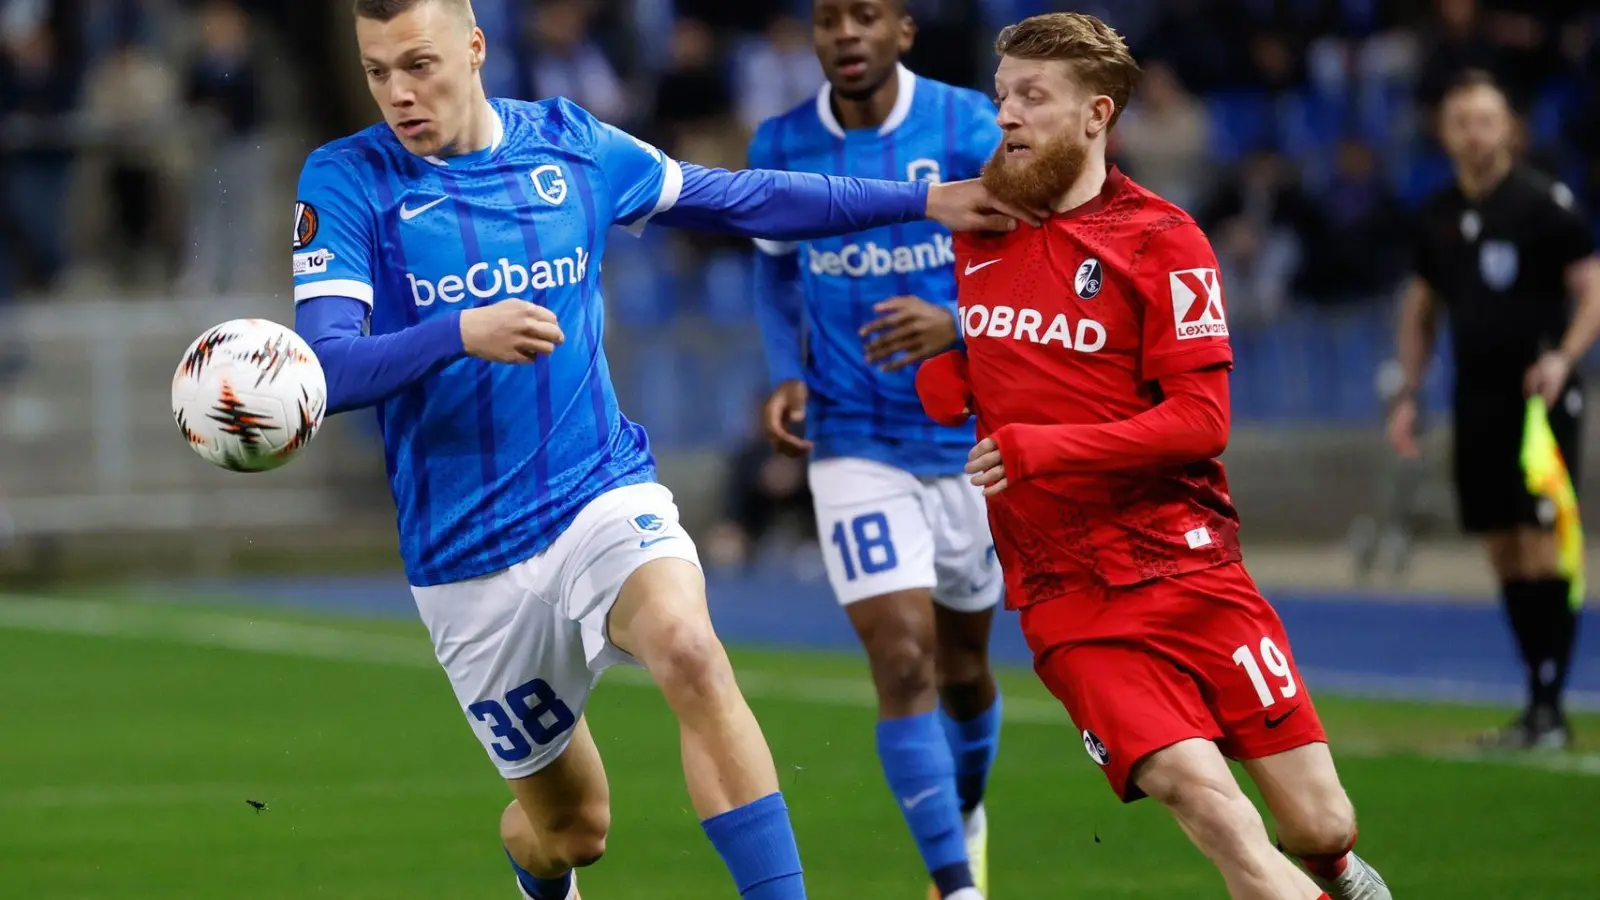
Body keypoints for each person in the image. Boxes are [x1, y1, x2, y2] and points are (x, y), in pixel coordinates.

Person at [289, 2, 1030, 899]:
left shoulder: (571, 147)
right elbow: (325, 367)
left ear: (475, 47)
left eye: (419, 65)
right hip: (464, 557)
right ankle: (540, 875)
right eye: (378, 73)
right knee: (571, 830)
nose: (401, 94)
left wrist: (921, 197)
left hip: (594, 492)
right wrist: (458, 331)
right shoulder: (345, 179)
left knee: (687, 645)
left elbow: (740, 195)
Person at [913, 14, 1391, 900]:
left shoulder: (1162, 240)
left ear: (1097, 114)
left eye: (1032, 97)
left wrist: (1041, 447)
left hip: (1192, 569)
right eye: (1002, 96)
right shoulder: (979, 227)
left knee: (1319, 824)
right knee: (1211, 809)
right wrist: (953, 371)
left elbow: (1200, 423)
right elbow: (1012, 357)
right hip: (1067, 593)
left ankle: (1337, 875)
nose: (1006, 116)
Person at [748, 2, 1002, 898]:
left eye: (864, 16)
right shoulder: (781, 142)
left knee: (967, 670)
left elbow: (1034, 254)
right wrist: (789, 370)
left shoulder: (969, 125)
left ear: (902, 30)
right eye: (827, 20)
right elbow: (774, 262)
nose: (844, 35)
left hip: (968, 436)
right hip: (852, 436)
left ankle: (967, 813)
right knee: (902, 659)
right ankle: (955, 885)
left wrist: (958, 324)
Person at [1388, 68, 1600, 750]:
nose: (1474, 132)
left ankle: (1549, 705)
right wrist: (1408, 392)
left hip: (1540, 396)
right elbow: (1419, 310)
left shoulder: (1546, 206)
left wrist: (1564, 357)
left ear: (1508, 127)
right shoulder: (1439, 215)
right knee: (1502, 545)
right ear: (1444, 132)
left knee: (1542, 539)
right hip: (1473, 395)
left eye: (1486, 119)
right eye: (1461, 120)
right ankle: (1537, 704)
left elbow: (1592, 291)